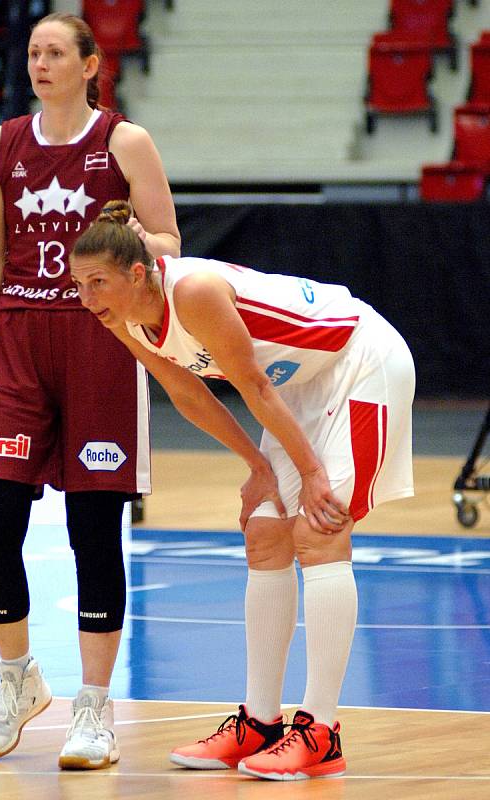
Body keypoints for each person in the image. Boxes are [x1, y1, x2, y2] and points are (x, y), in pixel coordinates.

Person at [69, 200, 416, 782]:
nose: (87, 299)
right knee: (263, 534)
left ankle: (323, 732)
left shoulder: (195, 291)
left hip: (361, 361)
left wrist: (307, 473)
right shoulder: (125, 320)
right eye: (79, 285)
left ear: (136, 274)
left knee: (318, 528)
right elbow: (188, 395)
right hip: (300, 384)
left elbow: (251, 384)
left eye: (97, 282)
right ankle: (259, 721)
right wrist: (257, 465)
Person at [0, 13, 180, 770]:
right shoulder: (1, 144)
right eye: (33, 54)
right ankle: (18, 682)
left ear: (90, 64)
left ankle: (94, 707)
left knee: (92, 532)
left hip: (98, 343)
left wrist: (127, 248)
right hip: (16, 342)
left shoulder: (124, 143)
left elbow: (170, 242)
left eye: (55, 53)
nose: (40, 64)